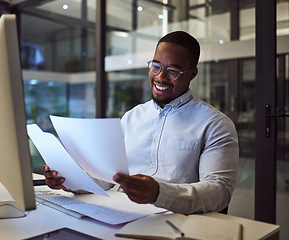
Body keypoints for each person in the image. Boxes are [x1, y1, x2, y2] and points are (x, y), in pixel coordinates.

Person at [43, 31, 239, 214]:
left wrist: (159, 193)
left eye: (173, 71)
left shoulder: (216, 124)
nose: (160, 77)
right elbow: (106, 177)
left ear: (192, 74)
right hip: (120, 213)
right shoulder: (131, 117)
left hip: (176, 221)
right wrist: (66, 180)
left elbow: (219, 191)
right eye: (156, 66)